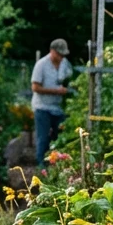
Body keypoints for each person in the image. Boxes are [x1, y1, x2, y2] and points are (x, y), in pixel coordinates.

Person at [31, 38, 74, 166]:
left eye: (63, 55)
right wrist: (56, 91)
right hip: (42, 106)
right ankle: (41, 167)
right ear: (52, 51)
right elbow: (35, 87)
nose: (61, 57)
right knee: (43, 138)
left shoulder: (65, 63)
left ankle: (56, 166)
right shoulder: (41, 64)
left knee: (59, 137)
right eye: (59, 54)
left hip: (57, 107)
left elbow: (69, 76)